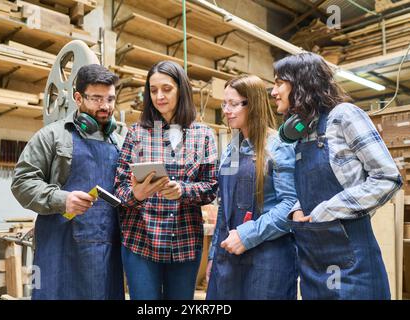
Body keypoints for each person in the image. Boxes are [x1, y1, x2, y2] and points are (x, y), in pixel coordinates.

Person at [272, 52, 403, 300]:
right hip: (313, 264)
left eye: (279, 83)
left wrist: (328, 210)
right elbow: (310, 192)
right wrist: (298, 210)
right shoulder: (303, 133)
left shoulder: (344, 116)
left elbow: (387, 178)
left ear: (301, 83)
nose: (273, 92)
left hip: (352, 261)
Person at [11, 64, 124, 300]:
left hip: (106, 248)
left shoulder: (120, 143)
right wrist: (63, 199)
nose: (105, 106)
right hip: (60, 246)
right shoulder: (52, 136)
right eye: (96, 99)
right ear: (78, 98)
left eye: (111, 99)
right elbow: (21, 182)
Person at [114, 60, 218, 300]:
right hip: (141, 240)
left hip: (184, 241)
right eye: (153, 90)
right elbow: (119, 188)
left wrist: (183, 190)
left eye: (167, 89)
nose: (159, 96)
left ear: (181, 89)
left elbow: (211, 187)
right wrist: (136, 195)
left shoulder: (203, 135)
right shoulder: (137, 133)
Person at [205, 75, 298, 300]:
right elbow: (224, 208)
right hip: (228, 257)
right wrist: (213, 255)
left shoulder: (278, 146)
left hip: (268, 261)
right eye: (224, 104)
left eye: (234, 104)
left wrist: (248, 235)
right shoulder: (232, 149)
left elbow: (291, 206)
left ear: (254, 104)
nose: (226, 110)